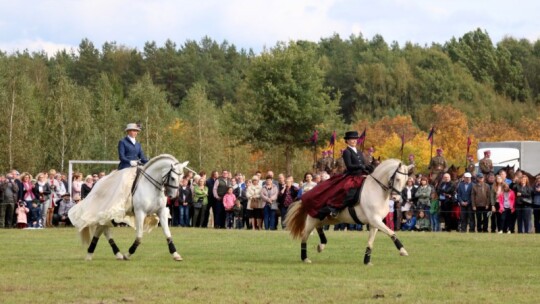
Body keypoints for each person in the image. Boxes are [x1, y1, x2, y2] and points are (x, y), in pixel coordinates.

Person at [305, 131, 372, 220]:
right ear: (347, 141)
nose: (354, 141)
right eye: (352, 139)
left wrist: (368, 168)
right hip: (352, 176)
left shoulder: (359, 152)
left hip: (362, 175)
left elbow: (363, 164)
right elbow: (349, 166)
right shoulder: (347, 152)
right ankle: (333, 208)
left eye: (355, 139)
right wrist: (361, 166)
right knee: (349, 191)